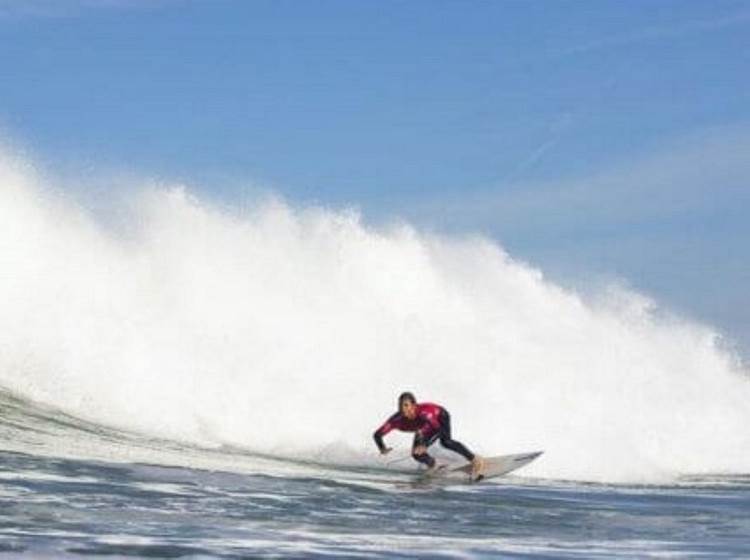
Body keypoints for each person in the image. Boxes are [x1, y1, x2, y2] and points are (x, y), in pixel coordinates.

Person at [373, 392, 484, 478]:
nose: (403, 409)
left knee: (446, 442)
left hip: (440, 417)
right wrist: (382, 448)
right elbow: (377, 435)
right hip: (423, 428)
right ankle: (434, 465)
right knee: (416, 454)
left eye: (406, 405)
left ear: (414, 406)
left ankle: (475, 459)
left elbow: (438, 429)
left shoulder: (424, 413)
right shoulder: (396, 420)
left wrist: (425, 445)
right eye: (400, 406)